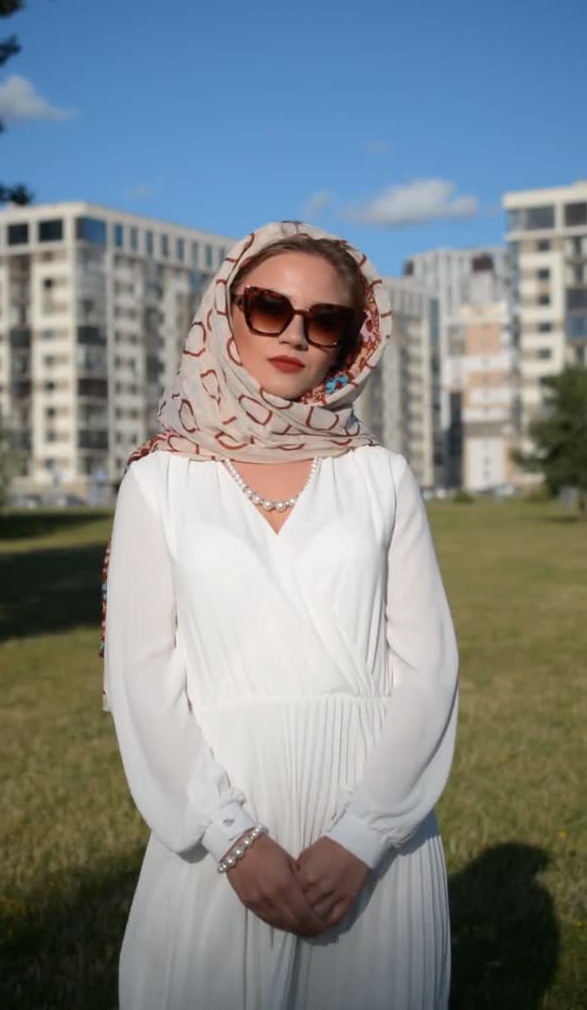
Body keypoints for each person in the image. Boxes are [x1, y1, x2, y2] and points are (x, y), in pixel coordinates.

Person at [102, 219, 459, 1010]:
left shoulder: (382, 478)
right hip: (220, 820)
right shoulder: (160, 481)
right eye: (269, 306)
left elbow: (430, 671)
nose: (295, 333)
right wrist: (230, 839)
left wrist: (365, 836)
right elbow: (142, 680)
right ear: (226, 313)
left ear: (347, 342)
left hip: (373, 827)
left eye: (324, 318)